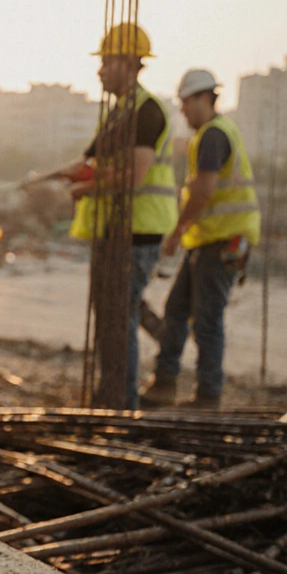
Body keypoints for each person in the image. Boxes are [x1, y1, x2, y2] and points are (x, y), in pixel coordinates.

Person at [56, 23, 177, 410]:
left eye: (107, 62)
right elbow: (89, 160)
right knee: (107, 317)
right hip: (114, 230)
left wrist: (86, 188)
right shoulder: (119, 112)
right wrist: (62, 173)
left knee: (118, 318)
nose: (100, 71)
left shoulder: (146, 112)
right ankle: (112, 394)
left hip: (136, 232)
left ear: (128, 63)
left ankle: (121, 402)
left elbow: (135, 177)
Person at [140, 69, 260, 410]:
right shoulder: (214, 133)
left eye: (185, 103)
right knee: (177, 311)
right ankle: (164, 382)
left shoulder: (213, 136)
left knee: (206, 319)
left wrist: (176, 233)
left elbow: (204, 190)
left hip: (223, 241)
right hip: (210, 241)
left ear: (204, 98)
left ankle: (208, 395)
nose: (182, 111)